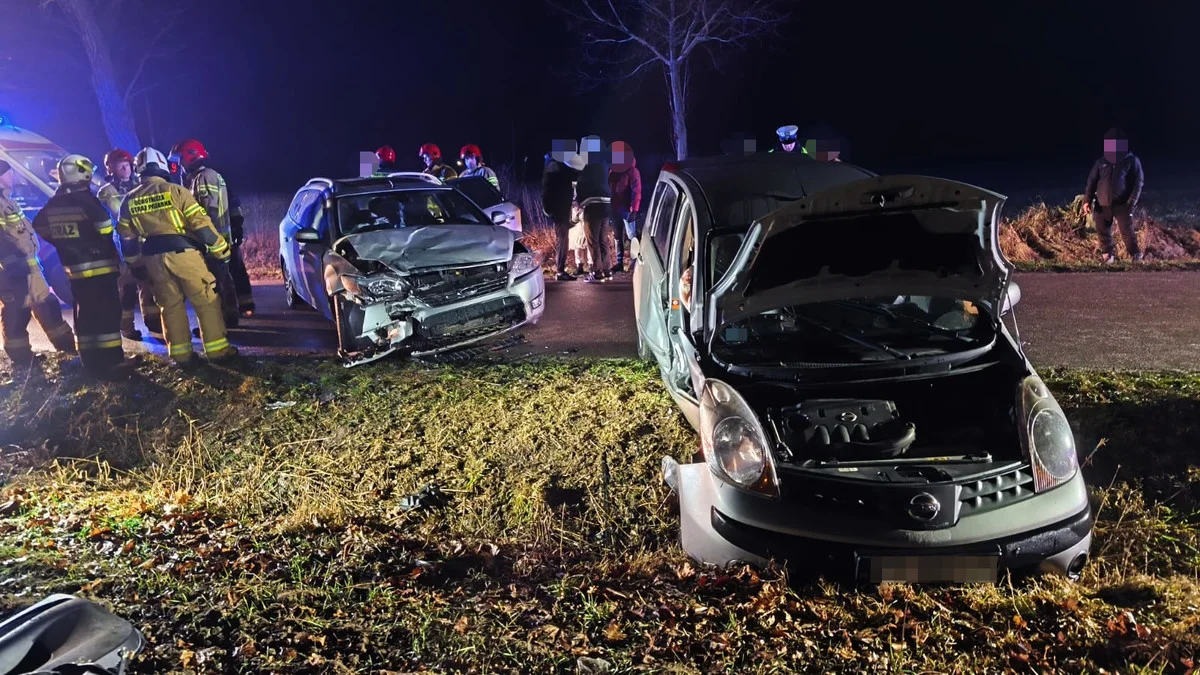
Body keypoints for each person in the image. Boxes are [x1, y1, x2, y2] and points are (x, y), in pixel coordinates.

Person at [117, 148, 236, 368]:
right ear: (162, 166)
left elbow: (126, 238)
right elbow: (201, 225)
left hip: (152, 258)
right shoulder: (176, 191)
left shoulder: (129, 200)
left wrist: (135, 265)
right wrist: (221, 250)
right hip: (183, 253)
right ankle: (219, 352)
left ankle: (181, 356)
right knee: (206, 298)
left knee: (169, 305)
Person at [32, 155, 125, 377]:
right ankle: (113, 362)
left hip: (74, 270)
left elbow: (39, 225)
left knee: (85, 316)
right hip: (100, 267)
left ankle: (90, 361)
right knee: (107, 314)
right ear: (81, 173)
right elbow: (104, 228)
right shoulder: (86, 200)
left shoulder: (54, 202)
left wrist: (63, 242)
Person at [0, 159, 76, 365]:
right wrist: (9, 260)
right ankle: (22, 360)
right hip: (11, 270)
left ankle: (68, 349)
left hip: (30, 266)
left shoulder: (8, 202)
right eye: (9, 173)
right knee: (17, 312)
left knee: (48, 305)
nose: (13, 177)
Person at [171, 138, 253, 322]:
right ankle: (232, 314)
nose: (178, 164)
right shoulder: (196, 178)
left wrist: (208, 236)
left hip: (214, 239)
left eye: (180, 158)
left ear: (191, 157)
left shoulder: (204, 177)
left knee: (222, 279)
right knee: (225, 278)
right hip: (217, 238)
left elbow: (209, 211)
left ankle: (231, 314)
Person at [99, 148, 159, 340]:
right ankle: (126, 327)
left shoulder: (140, 184)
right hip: (121, 247)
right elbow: (121, 214)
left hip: (144, 242)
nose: (125, 169)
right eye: (120, 166)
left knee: (149, 283)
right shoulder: (106, 191)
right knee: (127, 288)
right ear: (111, 169)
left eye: (127, 165)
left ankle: (153, 322)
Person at [1083, 128, 1145, 264]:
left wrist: (1131, 202)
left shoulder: (1132, 160)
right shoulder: (1101, 162)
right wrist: (1086, 200)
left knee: (1126, 231)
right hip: (1102, 203)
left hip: (1123, 204)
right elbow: (1091, 181)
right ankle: (1107, 257)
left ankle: (1136, 255)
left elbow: (1138, 182)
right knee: (1102, 229)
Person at [575, 135, 612, 283]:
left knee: (592, 240)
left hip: (592, 205)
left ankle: (597, 273)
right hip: (606, 204)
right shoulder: (603, 163)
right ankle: (607, 269)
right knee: (603, 239)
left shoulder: (586, 164)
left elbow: (582, 184)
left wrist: (579, 201)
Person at [541, 145, 580, 281]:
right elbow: (550, 190)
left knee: (562, 238)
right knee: (562, 239)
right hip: (559, 210)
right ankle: (560, 271)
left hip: (559, 209)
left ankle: (560, 270)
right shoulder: (555, 168)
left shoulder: (552, 167)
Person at [607, 140, 642, 273]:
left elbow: (636, 191)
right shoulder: (613, 171)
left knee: (631, 235)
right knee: (617, 236)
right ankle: (619, 262)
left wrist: (634, 209)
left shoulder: (632, 171)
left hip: (627, 209)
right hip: (615, 208)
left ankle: (635, 262)